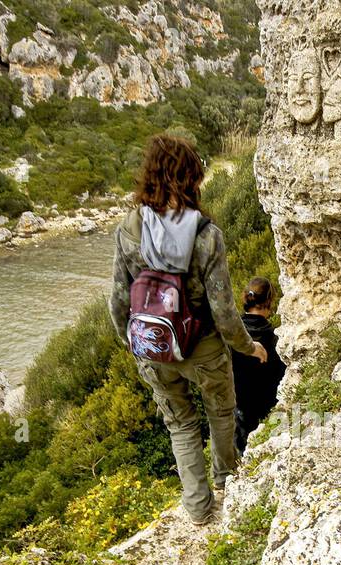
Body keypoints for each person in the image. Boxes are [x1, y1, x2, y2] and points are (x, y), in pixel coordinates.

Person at [109, 134, 267, 524]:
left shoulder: (129, 229)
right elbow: (225, 313)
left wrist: (134, 345)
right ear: (193, 178)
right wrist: (250, 347)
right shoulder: (206, 236)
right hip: (203, 348)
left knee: (179, 422)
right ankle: (228, 483)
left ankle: (197, 506)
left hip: (153, 347)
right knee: (221, 413)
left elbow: (117, 301)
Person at [230, 277, 287, 451]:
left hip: (237, 410)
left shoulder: (231, 335)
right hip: (269, 415)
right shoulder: (276, 339)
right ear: (269, 302)